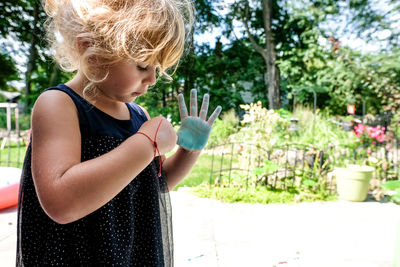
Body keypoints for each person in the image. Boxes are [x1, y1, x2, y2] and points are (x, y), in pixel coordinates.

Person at [16, 0, 221, 266]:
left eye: (156, 68)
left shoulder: (139, 116)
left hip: (131, 254)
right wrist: (147, 144)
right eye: (142, 65)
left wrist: (189, 150)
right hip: (79, 255)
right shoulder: (59, 104)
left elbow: (154, 184)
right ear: (90, 49)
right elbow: (61, 201)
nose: (152, 79)